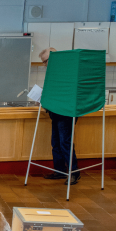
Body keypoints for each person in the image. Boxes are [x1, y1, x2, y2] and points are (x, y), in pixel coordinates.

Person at [39, 48, 81, 185]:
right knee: (56, 142)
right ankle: (60, 171)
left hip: (66, 112)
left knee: (65, 142)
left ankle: (74, 172)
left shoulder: (66, 71)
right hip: (56, 112)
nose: (44, 65)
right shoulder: (54, 72)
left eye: (45, 61)